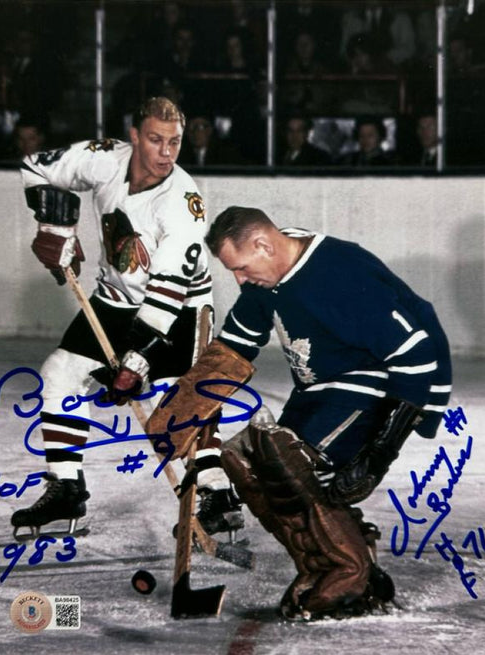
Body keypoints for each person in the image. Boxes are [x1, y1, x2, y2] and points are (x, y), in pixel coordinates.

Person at [146, 205, 452, 621]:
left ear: (263, 244)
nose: (239, 280)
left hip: (383, 380)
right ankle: (330, 561)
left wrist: (379, 454)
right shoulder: (267, 272)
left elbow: (416, 354)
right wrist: (187, 405)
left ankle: (352, 575)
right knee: (245, 458)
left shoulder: (339, 274)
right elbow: (236, 345)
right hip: (319, 388)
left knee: (289, 461)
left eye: (240, 267)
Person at [11, 97, 244, 541]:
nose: (166, 153)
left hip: (178, 311)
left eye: (174, 142)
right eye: (155, 140)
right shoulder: (103, 159)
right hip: (114, 298)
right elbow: (36, 167)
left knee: (176, 405)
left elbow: (166, 293)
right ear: (134, 136)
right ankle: (66, 490)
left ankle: (216, 498)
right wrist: (56, 227)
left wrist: (136, 361)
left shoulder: (182, 202)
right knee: (59, 374)